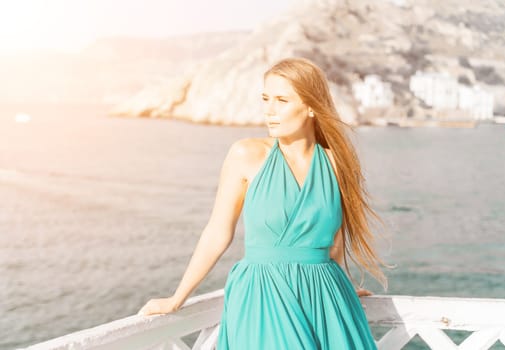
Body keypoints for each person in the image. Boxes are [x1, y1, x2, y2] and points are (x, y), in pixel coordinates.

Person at [138, 57, 388, 349]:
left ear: (311, 107)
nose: (269, 110)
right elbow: (218, 232)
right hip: (262, 293)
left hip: (326, 297)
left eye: (281, 100)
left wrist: (342, 283)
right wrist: (177, 298)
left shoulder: (337, 164)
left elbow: (334, 243)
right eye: (266, 99)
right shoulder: (246, 155)